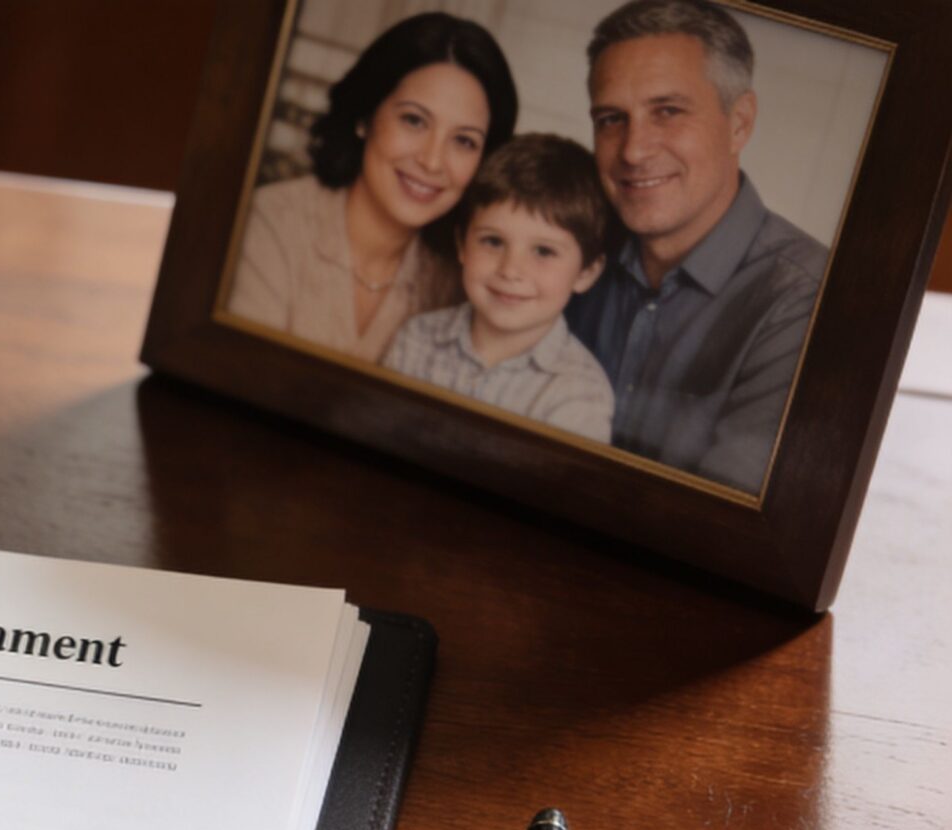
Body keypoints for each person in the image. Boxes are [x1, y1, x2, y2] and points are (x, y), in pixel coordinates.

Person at [564, 0, 826, 495]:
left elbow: (725, 530)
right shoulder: (568, 247)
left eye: (668, 111)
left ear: (740, 122)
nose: (634, 150)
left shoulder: (809, 301)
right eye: (611, 119)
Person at [228, 13, 518, 363]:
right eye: (414, 120)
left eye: (464, 141)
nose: (432, 161)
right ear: (365, 117)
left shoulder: (460, 283)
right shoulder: (269, 221)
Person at [385, 135, 615, 443]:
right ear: (462, 245)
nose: (510, 270)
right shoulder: (417, 339)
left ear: (586, 272)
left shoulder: (579, 392)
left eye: (544, 251)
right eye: (493, 241)